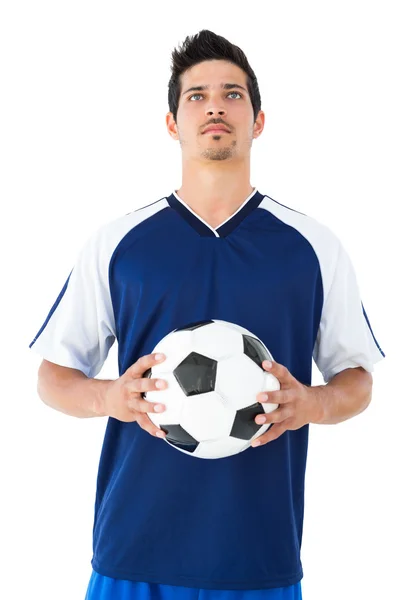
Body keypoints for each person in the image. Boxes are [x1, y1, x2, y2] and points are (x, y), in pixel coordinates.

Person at [28, 29, 385, 600]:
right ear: (172, 123)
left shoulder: (312, 246)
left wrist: (311, 403)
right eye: (196, 96)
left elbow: (359, 380)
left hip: (260, 557)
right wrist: (108, 398)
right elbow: (52, 376)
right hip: (132, 552)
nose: (215, 105)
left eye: (232, 94)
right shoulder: (119, 243)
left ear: (258, 120)